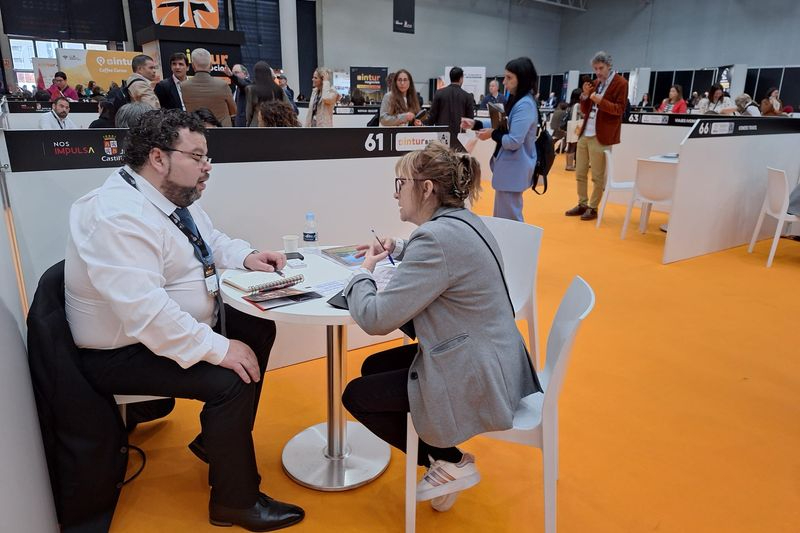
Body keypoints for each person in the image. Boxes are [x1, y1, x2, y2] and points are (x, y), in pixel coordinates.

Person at [65, 109, 305, 532]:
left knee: (257, 328)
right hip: (121, 350)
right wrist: (218, 347)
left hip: (152, 333)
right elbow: (146, 314)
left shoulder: (166, 197)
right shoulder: (118, 214)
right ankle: (235, 501)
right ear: (159, 157)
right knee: (230, 379)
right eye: (197, 156)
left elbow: (208, 240)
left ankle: (216, 441)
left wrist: (246, 256)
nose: (206, 165)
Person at [341, 141, 540, 512]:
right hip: (497, 357)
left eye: (401, 184)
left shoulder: (434, 239)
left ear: (427, 188)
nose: (397, 194)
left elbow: (375, 318)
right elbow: (444, 263)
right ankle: (442, 459)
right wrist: (399, 249)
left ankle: (448, 460)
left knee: (356, 395)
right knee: (374, 368)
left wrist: (360, 275)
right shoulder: (462, 222)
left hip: (476, 372)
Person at [461, 57, 539, 221]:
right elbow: (502, 123)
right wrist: (476, 123)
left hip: (514, 170)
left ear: (522, 79)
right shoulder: (517, 100)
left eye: (509, 78)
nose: (504, 82)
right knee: (505, 217)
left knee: (510, 219)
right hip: (510, 170)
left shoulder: (524, 105)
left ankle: (513, 246)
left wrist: (491, 134)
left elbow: (513, 141)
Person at [565, 51, 628, 221]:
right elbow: (586, 110)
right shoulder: (595, 83)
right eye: (595, 68)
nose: (598, 72)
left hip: (602, 135)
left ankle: (593, 207)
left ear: (609, 66)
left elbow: (619, 110)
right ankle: (582, 203)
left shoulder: (621, 83)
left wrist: (601, 102)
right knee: (580, 172)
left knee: (598, 176)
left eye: (601, 68)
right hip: (586, 132)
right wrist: (585, 96)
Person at [180, 48, 236, 127]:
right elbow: (233, 111)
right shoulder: (222, 85)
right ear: (210, 64)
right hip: (223, 132)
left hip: (197, 132)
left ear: (192, 65)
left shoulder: (184, 86)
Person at [426, 66, 474, 138]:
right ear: (461, 79)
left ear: (450, 77)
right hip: (459, 136)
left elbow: (432, 117)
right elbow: (470, 119)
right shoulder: (467, 96)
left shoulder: (439, 93)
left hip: (441, 134)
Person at [245, 61, 287, 127]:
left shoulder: (251, 89)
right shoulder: (278, 89)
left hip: (257, 124)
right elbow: (287, 106)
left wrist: (248, 124)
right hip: (275, 124)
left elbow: (249, 112)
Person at [564, 87, 583, 171]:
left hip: (569, 126)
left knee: (570, 145)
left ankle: (568, 164)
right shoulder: (578, 105)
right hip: (576, 127)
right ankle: (570, 165)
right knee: (574, 145)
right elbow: (582, 115)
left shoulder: (570, 105)